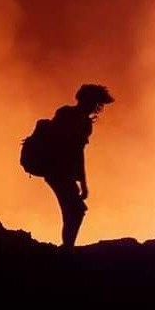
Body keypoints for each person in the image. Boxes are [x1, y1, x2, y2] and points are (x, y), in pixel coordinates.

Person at [45, 84, 114, 248]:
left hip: (60, 171)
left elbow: (78, 152)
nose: (98, 107)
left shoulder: (73, 117)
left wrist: (82, 182)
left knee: (74, 211)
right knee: (75, 211)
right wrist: (82, 183)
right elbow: (75, 150)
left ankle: (67, 246)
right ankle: (67, 248)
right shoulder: (74, 118)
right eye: (96, 103)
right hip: (57, 170)